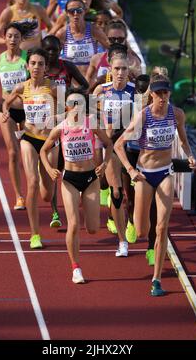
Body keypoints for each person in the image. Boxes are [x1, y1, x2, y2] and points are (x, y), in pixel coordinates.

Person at [114, 73, 196, 296]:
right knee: (142, 231)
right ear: (151, 95)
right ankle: (132, 220)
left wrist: (190, 157)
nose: (162, 97)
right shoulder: (143, 117)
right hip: (144, 175)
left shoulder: (177, 114)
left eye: (165, 93)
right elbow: (119, 145)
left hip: (165, 173)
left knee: (162, 228)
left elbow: (183, 141)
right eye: (158, 93)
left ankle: (157, 280)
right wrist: (131, 171)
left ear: (169, 93)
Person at [40, 88, 113, 283]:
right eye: (72, 104)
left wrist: (104, 165)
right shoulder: (61, 128)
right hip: (69, 179)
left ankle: (85, 205)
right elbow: (43, 150)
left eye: (80, 104)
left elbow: (110, 144)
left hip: (90, 178)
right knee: (73, 224)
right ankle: (76, 268)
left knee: (93, 229)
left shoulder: (92, 124)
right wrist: (48, 169)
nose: (76, 107)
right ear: (67, 106)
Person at [2, 48, 58, 249]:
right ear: (28, 66)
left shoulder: (52, 89)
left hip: (49, 141)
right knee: (32, 182)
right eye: (33, 63)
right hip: (29, 138)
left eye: (40, 64)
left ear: (45, 68)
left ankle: (48, 192)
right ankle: (35, 234)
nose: (36, 67)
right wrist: (5, 114)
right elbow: (6, 104)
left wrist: (55, 118)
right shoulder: (21, 88)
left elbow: (68, 112)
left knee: (46, 193)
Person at [42, 34, 89, 227]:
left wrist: (73, 94)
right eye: (48, 50)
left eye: (55, 49)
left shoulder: (67, 67)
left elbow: (85, 84)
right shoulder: (39, 69)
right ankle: (55, 211)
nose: (52, 53)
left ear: (60, 50)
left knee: (68, 164)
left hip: (69, 122)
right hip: (48, 125)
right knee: (55, 169)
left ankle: (68, 208)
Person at [93, 51, 136, 257]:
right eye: (117, 69)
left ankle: (133, 222)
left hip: (132, 148)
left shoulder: (135, 92)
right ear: (110, 69)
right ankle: (122, 242)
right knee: (117, 194)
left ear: (129, 70)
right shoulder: (101, 91)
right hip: (111, 149)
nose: (120, 72)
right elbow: (89, 117)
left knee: (131, 196)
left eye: (124, 69)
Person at [0, 22, 28, 210]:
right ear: (4, 37)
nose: (12, 39)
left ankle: (37, 183)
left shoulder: (28, 58)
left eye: (16, 36)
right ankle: (19, 196)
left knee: (30, 151)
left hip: (28, 109)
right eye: (9, 36)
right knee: (13, 153)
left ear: (21, 39)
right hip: (6, 109)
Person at [56, 0, 109, 77]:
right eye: (71, 11)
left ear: (84, 11)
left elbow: (112, 47)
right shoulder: (62, 34)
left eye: (79, 11)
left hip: (91, 80)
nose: (75, 14)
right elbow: (51, 56)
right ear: (66, 13)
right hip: (71, 83)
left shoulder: (94, 30)